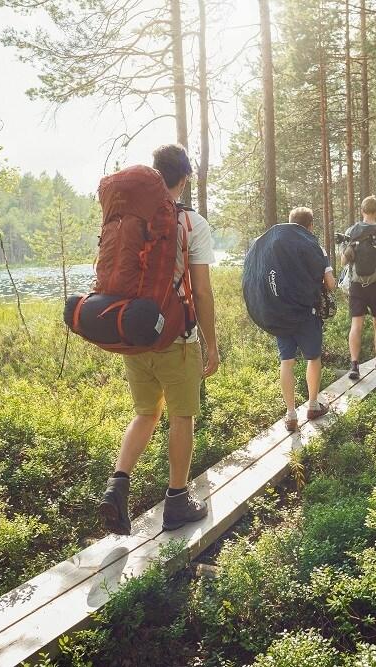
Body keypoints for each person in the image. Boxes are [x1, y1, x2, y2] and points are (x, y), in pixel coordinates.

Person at [99, 144, 220, 535]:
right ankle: (177, 500)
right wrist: (211, 343)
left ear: (154, 174)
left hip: (134, 334)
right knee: (181, 416)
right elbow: (201, 293)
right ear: (184, 178)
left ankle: (117, 485)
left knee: (146, 414)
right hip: (176, 338)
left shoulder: (130, 218)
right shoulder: (192, 223)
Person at [275, 207, 336, 431]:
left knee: (286, 361)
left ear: (289, 223)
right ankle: (312, 405)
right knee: (313, 358)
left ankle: (291, 415)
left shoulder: (276, 247)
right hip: (307, 313)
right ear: (310, 227)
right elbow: (329, 284)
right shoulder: (315, 248)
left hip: (281, 314)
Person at [342, 195, 376, 379]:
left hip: (356, 285)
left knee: (356, 324)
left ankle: (354, 366)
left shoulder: (351, 231)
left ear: (362, 210)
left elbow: (343, 260)